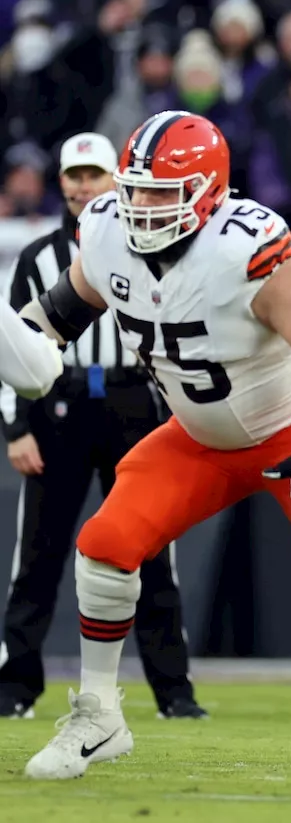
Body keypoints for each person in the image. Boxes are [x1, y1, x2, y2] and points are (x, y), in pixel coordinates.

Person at [17, 110, 291, 790]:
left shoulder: (246, 246)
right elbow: (58, 317)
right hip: (200, 435)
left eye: (164, 191)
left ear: (209, 191)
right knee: (104, 542)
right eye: (136, 188)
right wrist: (20, 342)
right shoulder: (105, 232)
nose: (143, 205)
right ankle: (99, 713)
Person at [0, 132, 204, 720]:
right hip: (58, 407)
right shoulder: (38, 257)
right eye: (76, 176)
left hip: (134, 406)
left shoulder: (153, 242)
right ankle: (16, 685)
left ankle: (173, 691)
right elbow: (14, 346)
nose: (85, 185)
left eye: (95, 175)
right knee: (38, 556)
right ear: (61, 182)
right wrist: (15, 429)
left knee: (153, 552)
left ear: (115, 180)